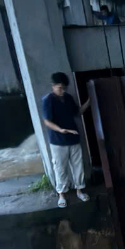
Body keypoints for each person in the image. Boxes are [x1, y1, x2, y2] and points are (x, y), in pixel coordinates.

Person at [41, 72, 91, 208]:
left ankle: (79, 190)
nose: (62, 90)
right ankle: (61, 194)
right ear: (53, 86)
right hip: (58, 141)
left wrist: (88, 102)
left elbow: (77, 112)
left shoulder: (68, 97)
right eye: (59, 88)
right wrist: (60, 130)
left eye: (64, 88)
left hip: (73, 138)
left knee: (78, 166)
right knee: (60, 168)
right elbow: (47, 121)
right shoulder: (48, 100)